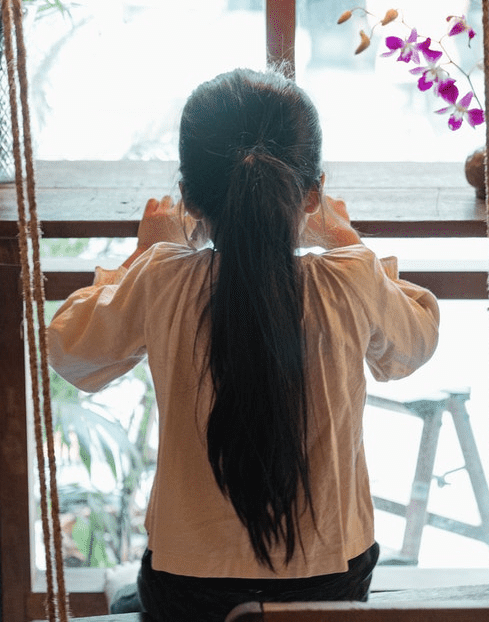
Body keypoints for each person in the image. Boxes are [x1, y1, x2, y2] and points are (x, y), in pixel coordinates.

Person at [47, 68, 441, 621]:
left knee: (127, 600)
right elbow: (415, 343)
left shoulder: (160, 278)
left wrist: (141, 253)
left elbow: (70, 348)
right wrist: (347, 240)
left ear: (188, 199)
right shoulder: (351, 278)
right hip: (329, 585)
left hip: (188, 588)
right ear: (314, 196)